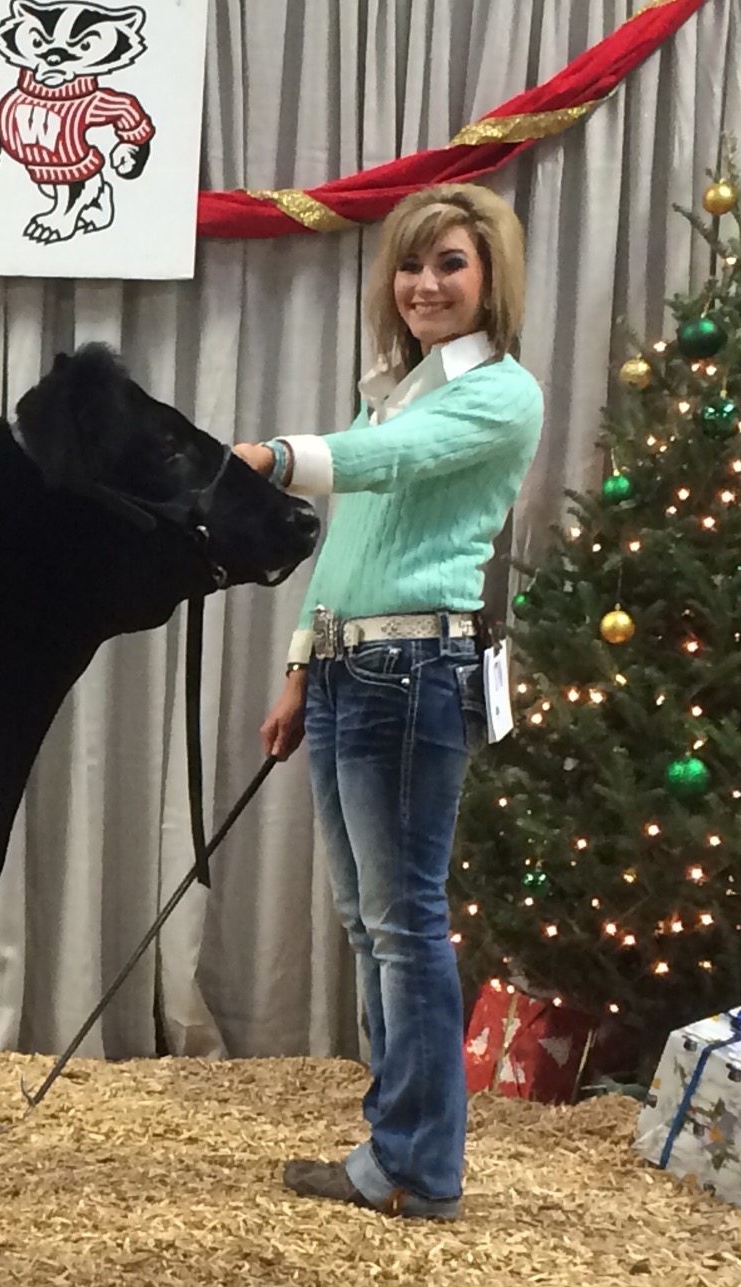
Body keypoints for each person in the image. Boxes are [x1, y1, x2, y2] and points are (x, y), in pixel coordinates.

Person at [234, 184, 544, 1219]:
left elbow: (381, 465)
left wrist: (273, 459)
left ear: (488, 276)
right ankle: (392, 1150)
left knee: (400, 922)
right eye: (410, 267)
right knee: (370, 923)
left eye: (448, 264)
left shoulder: (497, 393)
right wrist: (293, 668)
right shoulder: (393, 390)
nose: (423, 285)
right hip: (345, 670)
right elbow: (349, 544)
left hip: (412, 671)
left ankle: (415, 1165)